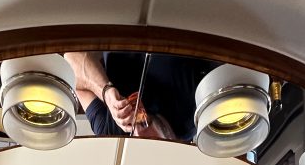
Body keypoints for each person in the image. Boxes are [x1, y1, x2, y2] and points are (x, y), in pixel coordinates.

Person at [64, 51, 214, 143]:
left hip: (118, 19)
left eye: (132, 139)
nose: (136, 132)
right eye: (149, 144)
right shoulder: (198, 114)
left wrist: (105, 91)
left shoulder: (110, 133)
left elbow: (71, 59)